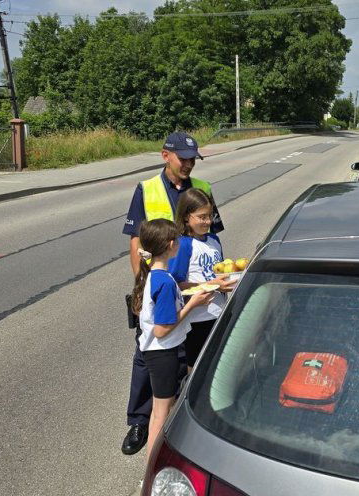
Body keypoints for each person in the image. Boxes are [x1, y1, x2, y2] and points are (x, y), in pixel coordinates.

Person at [120, 131, 223, 456]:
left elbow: (214, 239)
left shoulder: (202, 189)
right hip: (157, 283)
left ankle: (180, 411)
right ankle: (139, 419)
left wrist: (220, 275)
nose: (188, 164)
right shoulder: (147, 189)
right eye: (183, 158)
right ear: (166, 155)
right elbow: (136, 240)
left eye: (193, 159)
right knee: (147, 353)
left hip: (188, 285)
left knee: (184, 351)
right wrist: (143, 286)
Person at [130, 218, 214, 460]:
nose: (179, 242)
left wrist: (193, 296)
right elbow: (162, 329)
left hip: (158, 352)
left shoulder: (154, 275)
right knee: (161, 413)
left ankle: (154, 459)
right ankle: (153, 464)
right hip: (163, 353)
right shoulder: (165, 282)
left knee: (161, 409)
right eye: (176, 239)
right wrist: (193, 305)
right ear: (170, 245)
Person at [169, 189, 234, 375]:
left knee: (216, 363)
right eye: (201, 217)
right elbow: (176, 284)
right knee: (196, 367)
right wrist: (212, 285)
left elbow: (218, 271)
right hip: (197, 318)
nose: (207, 221)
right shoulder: (183, 244)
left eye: (210, 216)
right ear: (186, 217)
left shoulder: (214, 240)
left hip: (218, 313)